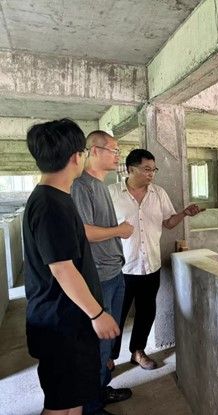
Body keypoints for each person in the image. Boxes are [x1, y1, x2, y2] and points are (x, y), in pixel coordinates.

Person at [23, 119, 120, 415]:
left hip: (66, 320)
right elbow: (62, 269)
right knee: (61, 407)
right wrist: (97, 314)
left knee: (71, 402)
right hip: (61, 324)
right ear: (77, 157)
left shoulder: (54, 198)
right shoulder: (50, 205)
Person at [109, 149, 204, 370]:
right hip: (121, 267)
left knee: (146, 312)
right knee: (116, 315)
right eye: (146, 169)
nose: (151, 174)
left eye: (154, 169)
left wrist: (184, 213)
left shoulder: (158, 193)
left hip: (150, 265)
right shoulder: (111, 193)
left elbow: (169, 223)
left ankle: (138, 352)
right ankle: (109, 357)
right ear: (131, 169)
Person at [71, 131, 134, 414]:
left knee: (109, 340)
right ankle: (91, 406)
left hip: (114, 271)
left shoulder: (101, 185)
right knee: (98, 344)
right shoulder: (81, 186)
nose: (118, 155)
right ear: (94, 151)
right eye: (114, 150)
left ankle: (101, 389)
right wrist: (119, 230)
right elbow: (84, 232)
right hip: (98, 275)